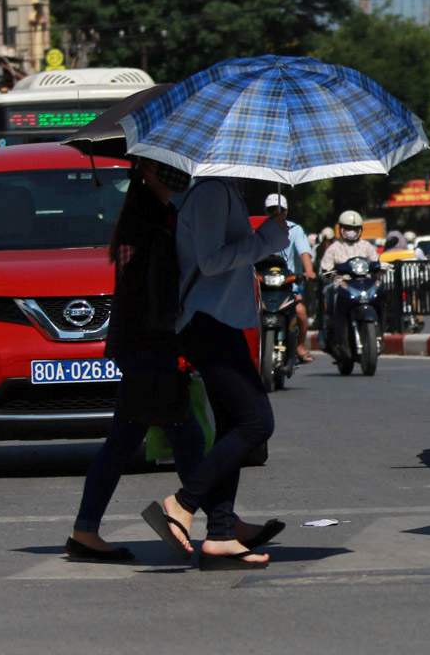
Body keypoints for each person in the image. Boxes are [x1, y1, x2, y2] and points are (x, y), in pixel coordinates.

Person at [68, 160, 279, 561]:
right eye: (163, 169)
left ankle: (218, 523)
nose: (174, 174)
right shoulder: (149, 222)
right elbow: (146, 295)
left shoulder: (166, 213)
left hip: (154, 344)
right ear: (147, 174)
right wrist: (168, 344)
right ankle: (186, 508)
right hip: (148, 346)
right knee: (170, 435)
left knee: (166, 436)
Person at [142, 176, 289, 570]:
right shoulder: (211, 191)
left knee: (231, 425)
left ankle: (222, 532)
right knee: (257, 423)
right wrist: (266, 240)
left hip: (219, 321)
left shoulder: (223, 190)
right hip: (209, 322)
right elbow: (210, 260)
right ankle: (182, 503)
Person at [264, 193, 315, 363]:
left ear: (286, 212)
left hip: (288, 282)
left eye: (281, 211)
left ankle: (299, 345)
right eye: (272, 210)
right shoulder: (260, 230)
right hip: (264, 283)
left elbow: (304, 252)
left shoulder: (295, 230)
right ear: (266, 211)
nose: (277, 214)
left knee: (300, 312)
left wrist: (309, 271)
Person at [319, 210, 380, 350]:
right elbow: (325, 269)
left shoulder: (367, 246)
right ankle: (332, 329)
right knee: (330, 294)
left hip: (364, 285)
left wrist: (379, 268)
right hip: (343, 286)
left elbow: (376, 263)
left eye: (354, 228)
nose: (351, 232)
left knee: (380, 293)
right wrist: (332, 274)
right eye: (347, 228)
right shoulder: (334, 248)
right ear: (341, 229)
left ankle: (384, 325)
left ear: (360, 230)